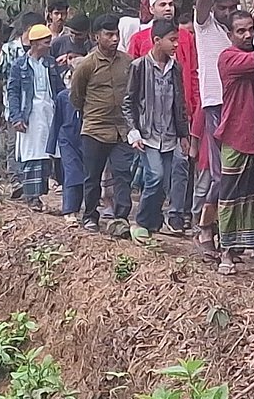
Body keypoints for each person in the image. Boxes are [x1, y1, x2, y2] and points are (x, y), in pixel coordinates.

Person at [192, 0, 254, 258]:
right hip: (216, 105)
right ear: (213, 8)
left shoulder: (242, 34)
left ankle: (236, 235)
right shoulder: (204, 25)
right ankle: (205, 228)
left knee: (244, 175)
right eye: (223, 7)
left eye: (233, 7)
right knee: (222, 175)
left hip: (245, 106)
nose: (228, 12)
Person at [130, 0, 199, 233]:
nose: (168, 8)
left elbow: (192, 75)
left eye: (171, 4)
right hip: (148, 127)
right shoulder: (139, 44)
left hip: (175, 122)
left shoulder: (185, 40)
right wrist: (133, 129)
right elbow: (131, 95)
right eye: (163, 4)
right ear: (151, 9)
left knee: (178, 169)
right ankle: (146, 219)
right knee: (155, 175)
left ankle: (175, 214)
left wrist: (191, 113)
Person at [215, 10, 254, 275]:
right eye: (240, 31)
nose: (248, 35)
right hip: (235, 135)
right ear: (229, 35)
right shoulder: (228, 57)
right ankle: (226, 251)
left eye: (252, 29)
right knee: (230, 197)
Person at [123, 18, 189, 243]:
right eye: (172, 40)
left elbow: (179, 103)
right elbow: (129, 102)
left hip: (169, 134)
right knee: (155, 176)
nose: (176, 44)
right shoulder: (139, 66)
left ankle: (153, 222)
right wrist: (133, 131)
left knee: (164, 181)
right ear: (157, 40)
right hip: (147, 134)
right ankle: (141, 221)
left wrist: (183, 134)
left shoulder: (175, 68)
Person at [72, 14, 134, 233]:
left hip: (121, 130)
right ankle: (90, 216)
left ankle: (121, 219)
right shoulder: (87, 65)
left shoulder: (127, 62)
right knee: (93, 176)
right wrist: (91, 113)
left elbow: (133, 93)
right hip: (95, 129)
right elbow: (76, 96)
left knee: (123, 174)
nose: (114, 39)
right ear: (96, 36)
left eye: (116, 34)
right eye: (109, 35)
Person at [0, 10, 44, 198]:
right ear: (29, 29)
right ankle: (16, 180)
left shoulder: (42, 51)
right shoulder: (10, 49)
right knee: (13, 143)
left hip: (37, 109)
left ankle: (31, 182)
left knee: (33, 146)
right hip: (14, 106)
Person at [7, 23, 64, 211]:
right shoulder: (20, 65)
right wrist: (16, 117)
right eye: (46, 42)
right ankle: (32, 196)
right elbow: (13, 92)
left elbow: (59, 89)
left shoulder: (50, 63)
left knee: (47, 154)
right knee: (32, 154)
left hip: (49, 114)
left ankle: (40, 194)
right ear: (35, 43)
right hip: (30, 115)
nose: (49, 45)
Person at [48, 65, 86, 224]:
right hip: (67, 140)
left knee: (84, 175)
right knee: (71, 172)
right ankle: (69, 210)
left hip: (86, 139)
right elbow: (57, 121)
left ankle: (77, 209)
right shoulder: (63, 96)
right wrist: (51, 146)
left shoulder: (90, 96)